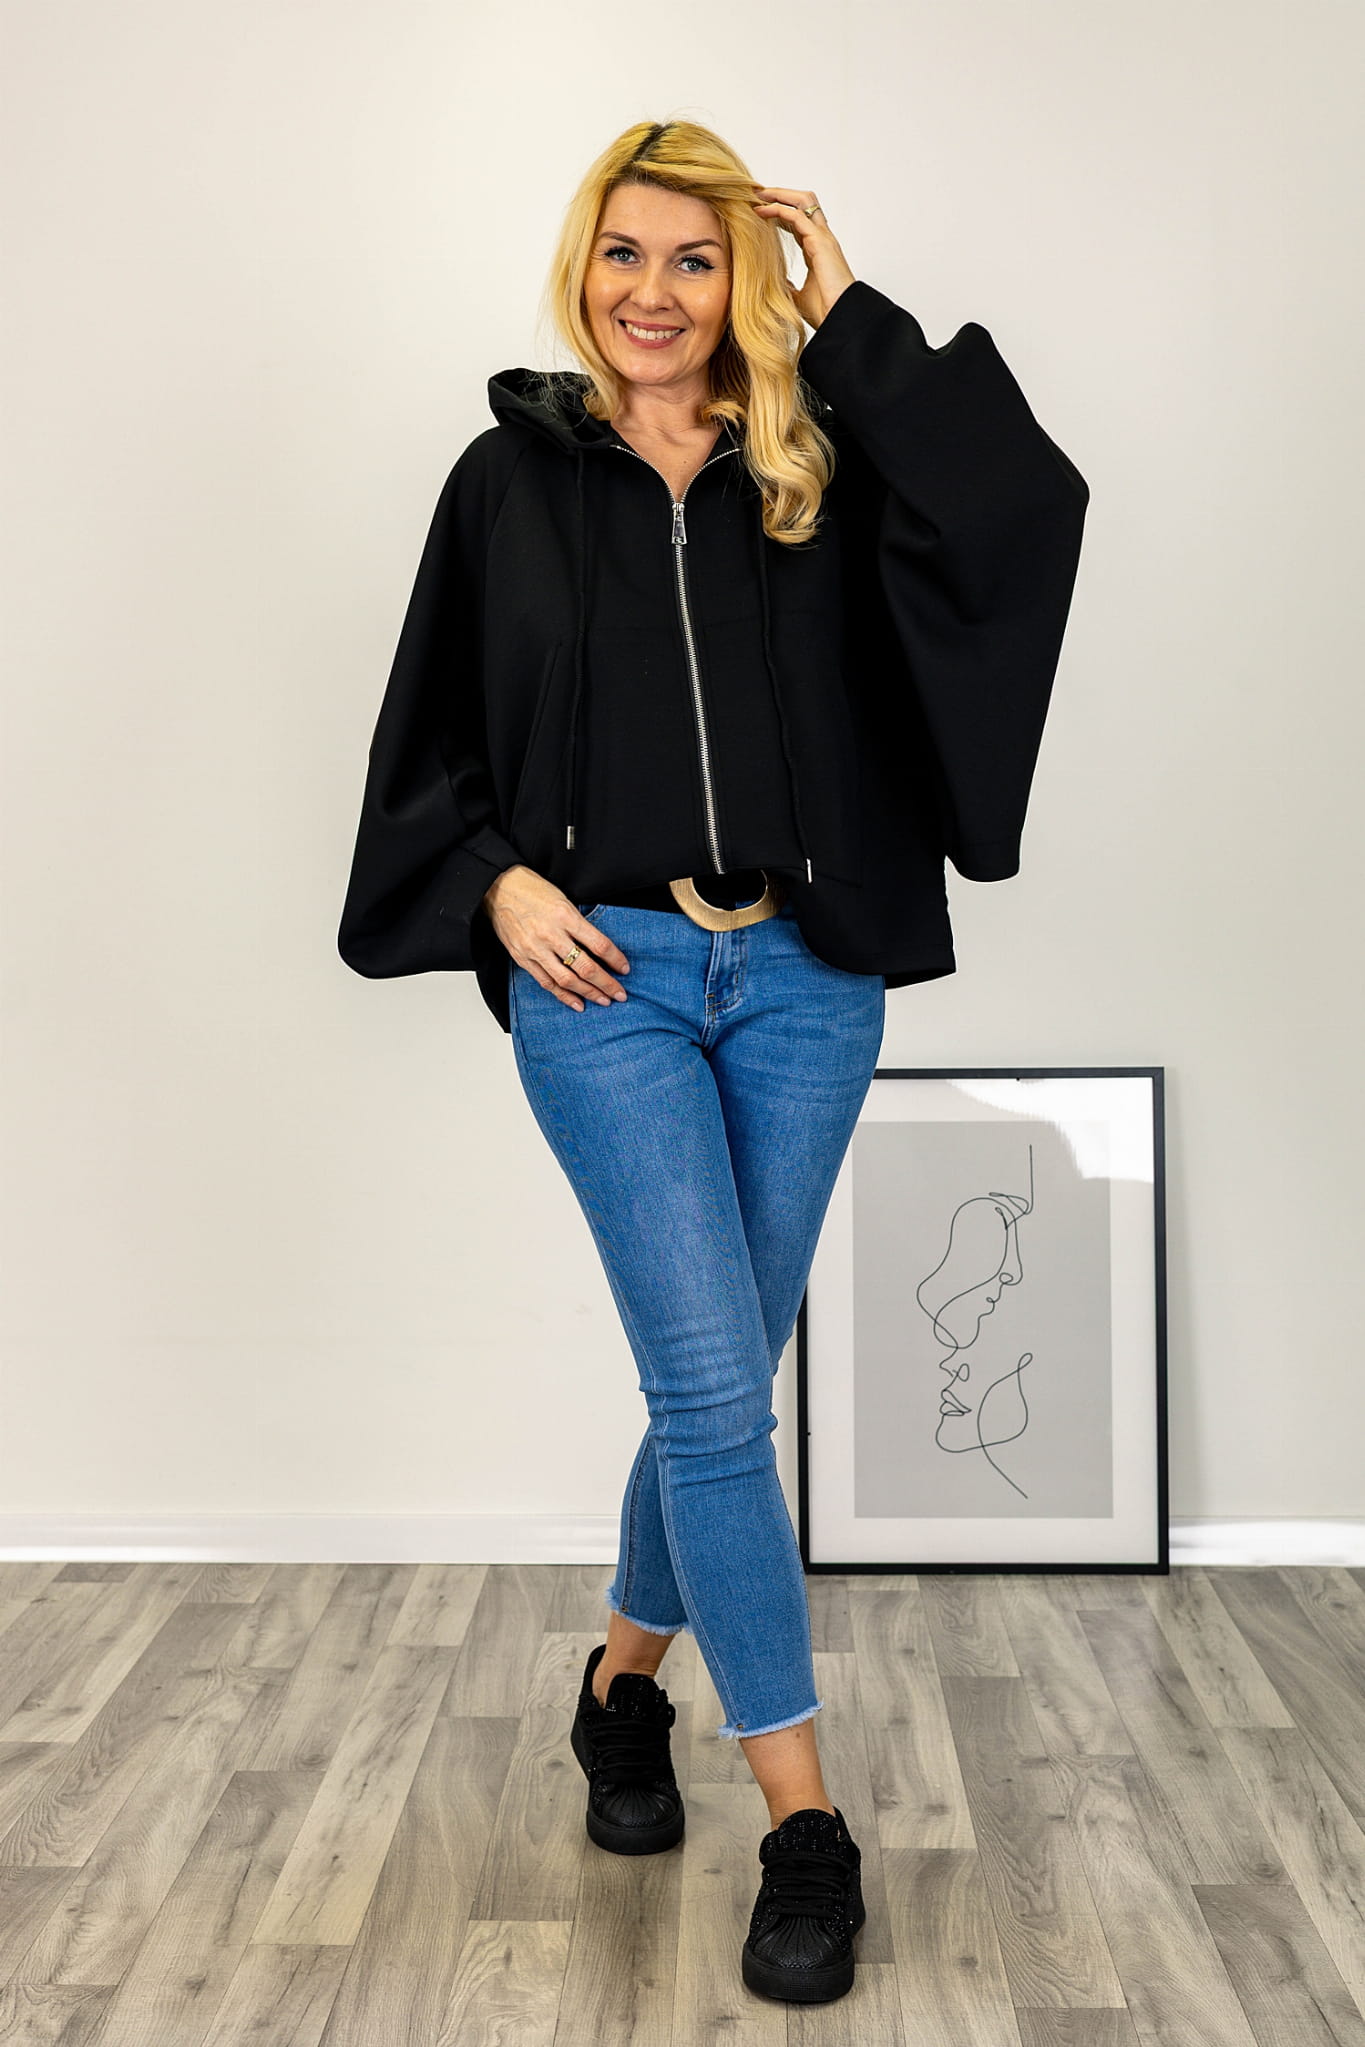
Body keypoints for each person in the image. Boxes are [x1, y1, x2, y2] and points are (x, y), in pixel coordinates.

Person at [338, 118, 1089, 2006]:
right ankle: (804, 1829)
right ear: (577, 265)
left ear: (743, 277)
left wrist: (854, 324)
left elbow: (1018, 512)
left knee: (714, 1388)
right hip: (608, 978)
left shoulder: (813, 457)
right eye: (624, 253)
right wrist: (496, 881)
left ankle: (619, 1688)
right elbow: (429, 723)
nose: (652, 294)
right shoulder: (506, 481)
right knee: (710, 1395)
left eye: (694, 258)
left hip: (809, 975)